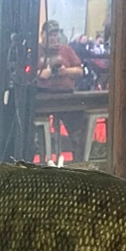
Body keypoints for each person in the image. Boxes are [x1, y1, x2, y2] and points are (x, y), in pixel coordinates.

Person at [35, 20, 87, 160]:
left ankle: (79, 159)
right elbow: (25, 74)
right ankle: (39, 155)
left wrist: (66, 71)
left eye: (55, 34)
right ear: (42, 35)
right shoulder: (36, 51)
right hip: (43, 97)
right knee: (35, 125)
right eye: (50, 34)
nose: (53, 38)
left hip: (65, 97)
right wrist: (41, 74)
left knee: (78, 123)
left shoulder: (66, 50)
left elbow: (80, 71)